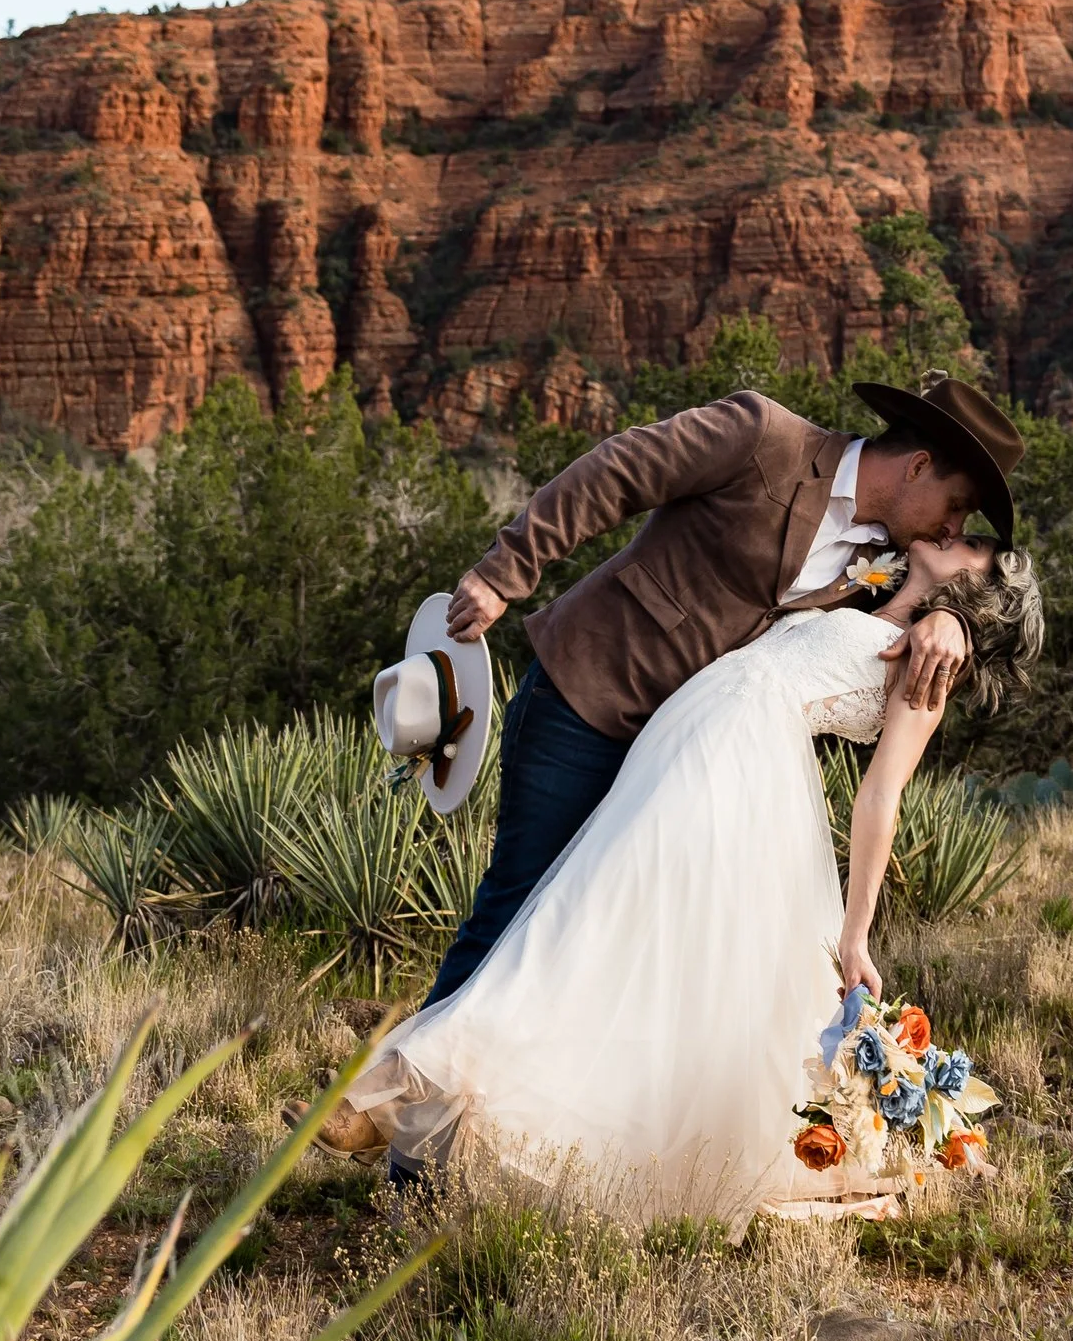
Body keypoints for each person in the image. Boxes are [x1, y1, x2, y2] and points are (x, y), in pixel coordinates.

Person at [338, 529, 1045, 1222]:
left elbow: (880, 798)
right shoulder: (867, 590)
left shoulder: (930, 670)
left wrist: (856, 931)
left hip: (736, 766)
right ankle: (437, 1096)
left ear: (981, 593)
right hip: (683, 736)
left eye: (977, 547)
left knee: (594, 912)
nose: (959, 533)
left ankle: (413, 1083)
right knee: (613, 927)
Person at [422, 370, 1025, 1006]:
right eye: (956, 504)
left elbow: (941, 597)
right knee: (519, 902)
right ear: (919, 465)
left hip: (678, 766)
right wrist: (507, 568)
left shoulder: (893, 559)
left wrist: (953, 617)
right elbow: (617, 469)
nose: (953, 529)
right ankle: (411, 1088)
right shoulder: (763, 436)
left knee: (597, 936)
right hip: (587, 697)